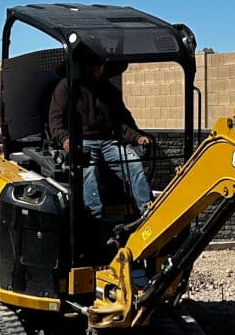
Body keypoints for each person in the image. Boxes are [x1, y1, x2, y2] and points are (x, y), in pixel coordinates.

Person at [47, 59, 154, 217]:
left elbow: (121, 122)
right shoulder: (66, 87)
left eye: (100, 64)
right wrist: (65, 140)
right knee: (88, 170)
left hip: (109, 142)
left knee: (134, 165)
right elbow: (55, 120)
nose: (97, 67)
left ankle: (147, 212)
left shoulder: (110, 91)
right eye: (93, 63)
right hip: (81, 143)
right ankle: (95, 217)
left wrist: (138, 137)